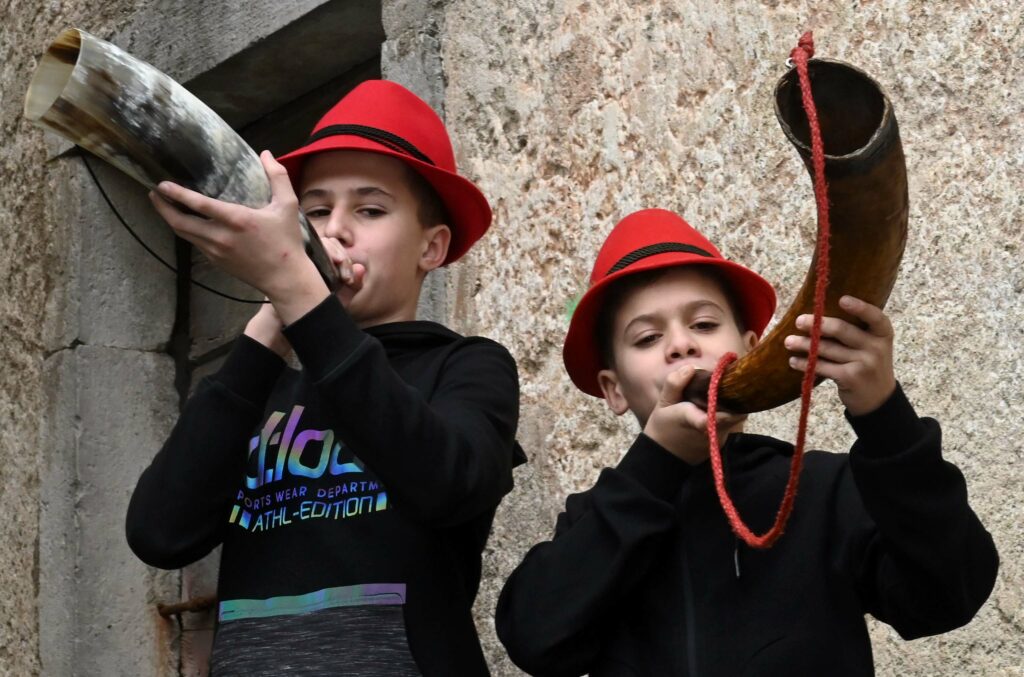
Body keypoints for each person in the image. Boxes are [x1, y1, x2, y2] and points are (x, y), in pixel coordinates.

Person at [126, 80, 524, 676]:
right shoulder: (269, 386)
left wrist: (299, 294)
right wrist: (272, 322)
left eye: (370, 209)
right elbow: (160, 533)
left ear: (431, 248)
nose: (334, 230)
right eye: (314, 210)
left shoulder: (466, 366)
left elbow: (449, 482)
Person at [495, 208, 998, 676]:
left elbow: (949, 595)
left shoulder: (826, 489)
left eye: (705, 324)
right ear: (614, 389)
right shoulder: (600, 519)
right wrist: (655, 467)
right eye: (647, 338)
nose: (682, 344)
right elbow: (535, 639)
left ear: (753, 352)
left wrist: (884, 415)